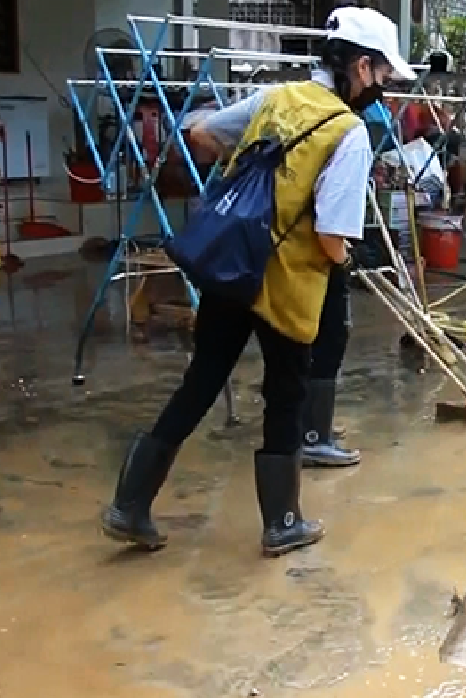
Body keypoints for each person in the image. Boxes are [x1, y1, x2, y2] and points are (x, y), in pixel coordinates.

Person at [99, 7, 416, 557]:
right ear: (362, 68)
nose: (384, 89)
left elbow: (199, 133)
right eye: (385, 76)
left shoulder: (277, 99)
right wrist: (351, 265)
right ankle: (283, 522)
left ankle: (129, 505)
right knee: (285, 399)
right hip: (287, 290)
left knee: (199, 384)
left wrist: (260, 177)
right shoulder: (349, 133)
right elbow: (333, 239)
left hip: (231, 269)